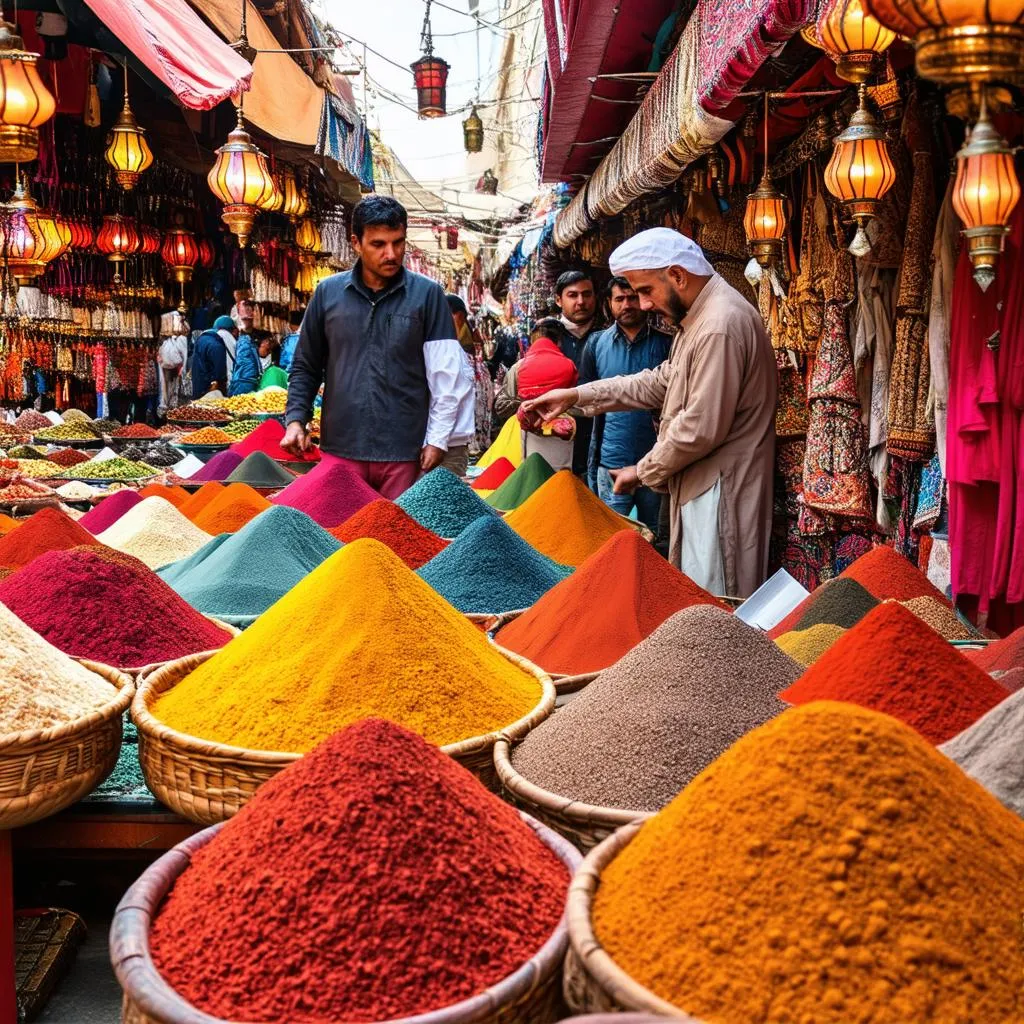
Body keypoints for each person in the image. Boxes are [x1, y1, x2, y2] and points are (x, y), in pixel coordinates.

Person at [522, 228, 776, 598]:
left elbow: (698, 428)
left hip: (721, 491)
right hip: (706, 485)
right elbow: (658, 382)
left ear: (677, 275)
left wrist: (642, 471)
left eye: (645, 291)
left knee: (717, 609)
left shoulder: (718, 325)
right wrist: (575, 395)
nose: (642, 305)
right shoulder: (700, 320)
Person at [281, 195, 471, 499]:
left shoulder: (428, 295)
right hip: (342, 447)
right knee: (339, 540)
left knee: (397, 540)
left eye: (398, 242)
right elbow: (306, 365)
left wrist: (437, 439)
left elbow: (446, 376)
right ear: (356, 242)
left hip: (405, 452)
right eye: (378, 244)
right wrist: (295, 420)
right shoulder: (328, 294)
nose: (391, 254)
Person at [581, 277, 672, 533]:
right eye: (619, 299)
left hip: (654, 460)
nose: (627, 304)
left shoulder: (666, 343)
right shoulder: (596, 344)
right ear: (608, 303)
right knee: (611, 534)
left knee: (655, 533)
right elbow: (587, 397)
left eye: (632, 298)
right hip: (610, 459)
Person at [495, 325, 579, 471]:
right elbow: (501, 406)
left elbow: (500, 407)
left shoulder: (521, 367)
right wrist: (531, 404)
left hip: (539, 435)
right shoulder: (569, 366)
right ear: (559, 342)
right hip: (549, 435)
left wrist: (530, 404)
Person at [190, 315, 237, 398]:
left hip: (198, 383)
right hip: (210, 389)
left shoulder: (202, 338)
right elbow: (220, 372)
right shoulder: (218, 345)